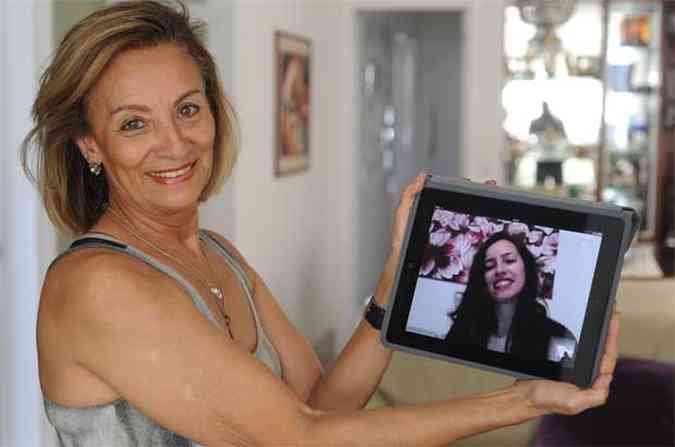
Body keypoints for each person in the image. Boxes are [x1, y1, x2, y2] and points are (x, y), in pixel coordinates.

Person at [22, 1, 619, 446]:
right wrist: (519, 400)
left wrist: (394, 278)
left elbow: (326, 406)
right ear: (89, 146)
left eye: (186, 109)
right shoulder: (97, 286)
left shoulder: (217, 253)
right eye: (134, 124)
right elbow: (302, 437)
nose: (174, 144)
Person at [446, 232, 577, 362]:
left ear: (526, 269)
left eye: (509, 260)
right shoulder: (464, 329)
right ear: (483, 280)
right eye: (489, 266)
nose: (499, 270)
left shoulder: (558, 336)